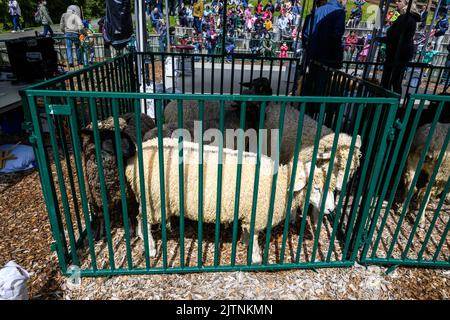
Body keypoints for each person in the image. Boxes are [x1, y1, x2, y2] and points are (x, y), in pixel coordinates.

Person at [378, 0, 420, 94]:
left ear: (406, 4)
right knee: (394, 79)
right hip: (399, 51)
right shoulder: (406, 18)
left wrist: (382, 39)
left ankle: (388, 102)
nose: (397, 3)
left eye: (399, 1)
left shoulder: (406, 18)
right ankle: (391, 101)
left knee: (392, 79)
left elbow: (397, 36)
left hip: (399, 52)